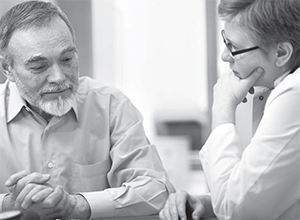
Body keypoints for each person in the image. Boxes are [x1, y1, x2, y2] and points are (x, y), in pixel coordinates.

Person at [0, 1, 175, 219]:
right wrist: (8, 203)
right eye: (39, 66)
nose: (58, 77)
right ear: (7, 68)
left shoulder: (112, 105)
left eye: (67, 59)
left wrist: (80, 204)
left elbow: (157, 190)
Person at [159, 0, 300, 219]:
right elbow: (262, 191)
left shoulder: (294, 94)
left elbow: (237, 209)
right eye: (225, 41)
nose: (225, 56)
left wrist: (223, 107)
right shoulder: (268, 87)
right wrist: (208, 201)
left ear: (281, 53)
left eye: (234, 47)